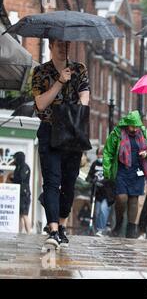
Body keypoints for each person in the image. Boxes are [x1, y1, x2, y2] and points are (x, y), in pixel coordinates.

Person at [32, 39, 90, 249]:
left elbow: (85, 95)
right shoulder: (40, 72)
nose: (63, 48)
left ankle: (62, 224)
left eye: (66, 45)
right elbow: (40, 103)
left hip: (72, 131)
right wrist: (59, 81)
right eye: (59, 45)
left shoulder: (79, 69)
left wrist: (76, 113)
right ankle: (54, 230)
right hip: (49, 130)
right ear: (50, 46)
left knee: (68, 183)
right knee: (51, 181)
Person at [103, 111, 147, 238]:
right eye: (132, 126)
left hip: (137, 171)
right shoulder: (117, 133)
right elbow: (108, 151)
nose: (135, 129)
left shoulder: (142, 132)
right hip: (122, 171)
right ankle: (119, 223)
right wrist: (107, 170)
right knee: (121, 198)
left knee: (134, 200)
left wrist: (146, 153)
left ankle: (131, 230)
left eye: (137, 126)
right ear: (127, 124)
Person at [86, 147, 114, 237]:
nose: (100, 156)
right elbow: (89, 177)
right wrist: (93, 180)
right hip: (97, 193)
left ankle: (101, 229)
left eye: (102, 154)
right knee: (97, 212)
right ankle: (98, 228)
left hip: (107, 193)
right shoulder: (94, 164)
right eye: (99, 155)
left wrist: (103, 182)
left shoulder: (109, 164)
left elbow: (112, 177)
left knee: (103, 209)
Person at [12, 152, 31, 234]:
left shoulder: (24, 167)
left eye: (15, 158)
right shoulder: (18, 167)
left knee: (24, 214)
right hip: (19, 193)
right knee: (20, 214)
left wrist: (13, 178)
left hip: (24, 193)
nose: (14, 160)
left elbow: (22, 178)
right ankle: (20, 232)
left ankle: (29, 232)